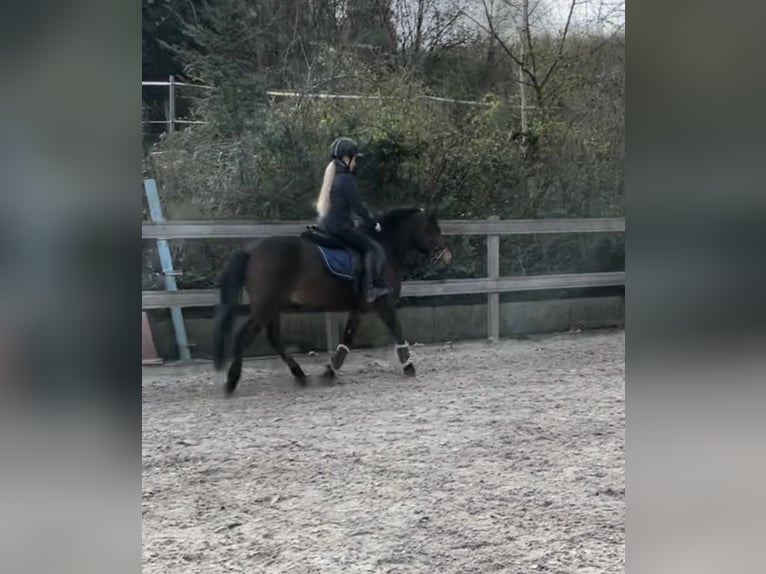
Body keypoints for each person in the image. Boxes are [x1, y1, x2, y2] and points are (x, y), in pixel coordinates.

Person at [315, 137, 390, 302]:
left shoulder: (333, 176)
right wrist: (373, 223)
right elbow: (357, 205)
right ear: (346, 158)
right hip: (340, 227)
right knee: (373, 248)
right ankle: (370, 288)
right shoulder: (346, 179)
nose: (355, 162)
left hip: (328, 225)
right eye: (354, 158)